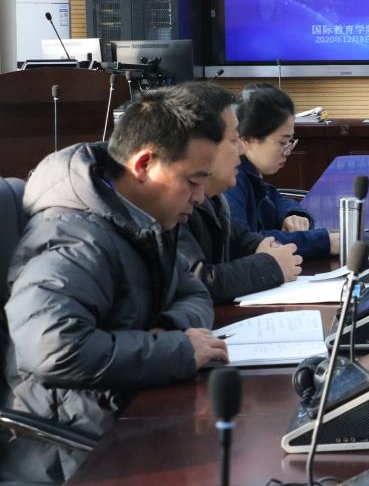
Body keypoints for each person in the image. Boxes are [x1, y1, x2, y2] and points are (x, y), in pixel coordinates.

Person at [2, 88, 229, 483]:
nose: (198, 198)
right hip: (70, 449)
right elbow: (52, 349)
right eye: (192, 181)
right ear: (144, 164)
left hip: (128, 413)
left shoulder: (142, 221)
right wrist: (175, 350)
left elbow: (194, 291)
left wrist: (169, 330)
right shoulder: (75, 238)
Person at [176, 82, 303, 304]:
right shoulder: (171, 204)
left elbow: (241, 238)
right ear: (201, 147)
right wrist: (271, 266)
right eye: (235, 140)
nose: (243, 149)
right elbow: (197, 281)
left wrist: (262, 246)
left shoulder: (213, 199)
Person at [224, 84, 339, 258]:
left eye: (290, 142)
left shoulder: (251, 174)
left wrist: (291, 213)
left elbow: (274, 197)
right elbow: (247, 243)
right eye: (282, 143)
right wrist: (324, 242)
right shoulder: (232, 180)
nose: (288, 152)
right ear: (247, 140)